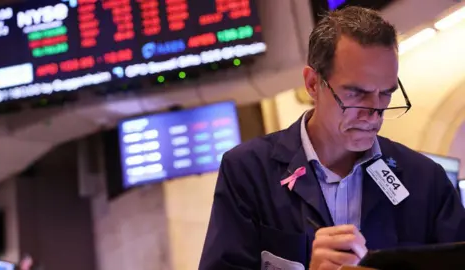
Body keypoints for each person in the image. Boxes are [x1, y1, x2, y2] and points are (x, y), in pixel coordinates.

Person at [198, 6, 465, 270]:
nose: (374, 115)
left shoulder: (426, 180)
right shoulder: (249, 171)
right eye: (356, 94)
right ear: (313, 83)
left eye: (386, 93)